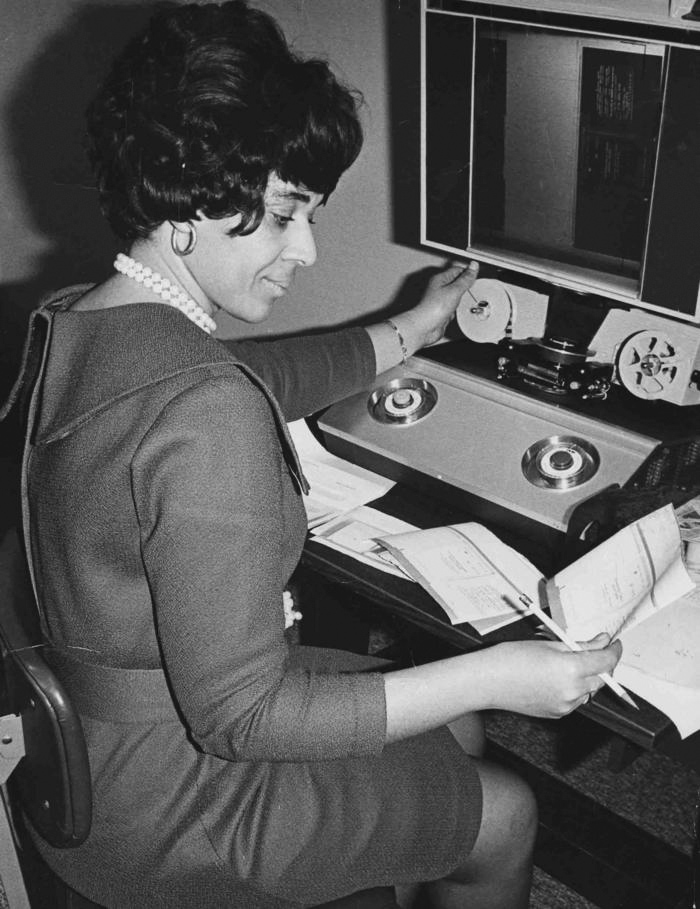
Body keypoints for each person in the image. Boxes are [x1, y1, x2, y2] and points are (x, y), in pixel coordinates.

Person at [3, 3, 622, 907]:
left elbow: (248, 377)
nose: (309, 248)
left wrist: (406, 329)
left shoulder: (81, 321)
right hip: (173, 800)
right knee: (507, 809)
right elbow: (246, 717)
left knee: (462, 731)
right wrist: (502, 668)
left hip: (100, 740)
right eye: (287, 213)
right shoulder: (201, 408)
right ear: (193, 198)